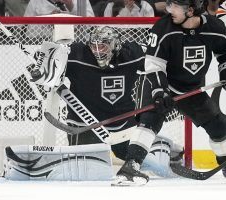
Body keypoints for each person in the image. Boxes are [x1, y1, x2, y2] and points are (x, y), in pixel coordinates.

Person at [31, 26, 185, 184]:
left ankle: (165, 149)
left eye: (102, 45)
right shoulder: (76, 54)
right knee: (87, 169)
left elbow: (158, 58)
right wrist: (42, 69)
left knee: (143, 161)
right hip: (84, 123)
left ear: (114, 45)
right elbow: (47, 59)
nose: (97, 51)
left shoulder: (132, 53)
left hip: (122, 124)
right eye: (94, 46)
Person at [114, 0, 226, 185]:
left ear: (190, 10)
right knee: (149, 121)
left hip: (189, 89)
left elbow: (223, 52)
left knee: (220, 127)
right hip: (159, 82)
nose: (168, 10)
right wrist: (160, 92)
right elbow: (154, 64)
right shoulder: (163, 28)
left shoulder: (214, 27)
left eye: (174, 6)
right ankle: (130, 167)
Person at [24, 0, 94, 17]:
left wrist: (71, 7)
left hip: (75, 42)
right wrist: (47, 21)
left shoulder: (81, 1)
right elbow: (26, 30)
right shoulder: (35, 1)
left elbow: (91, 28)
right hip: (43, 43)